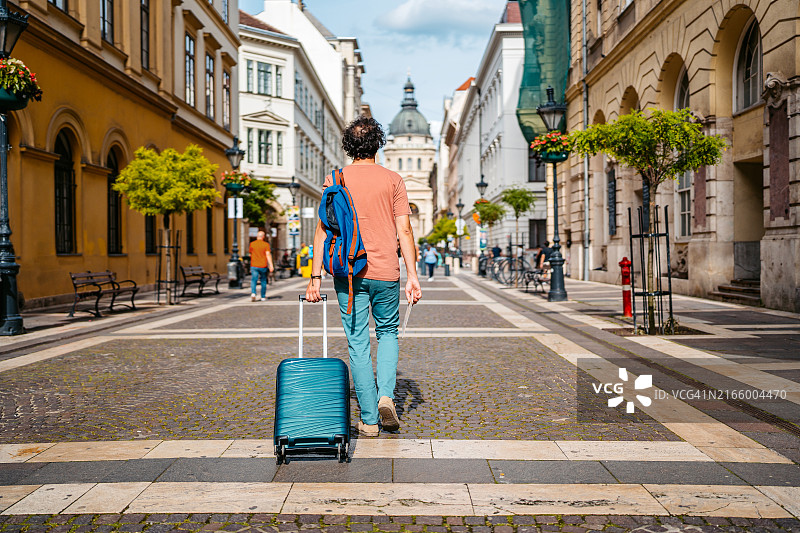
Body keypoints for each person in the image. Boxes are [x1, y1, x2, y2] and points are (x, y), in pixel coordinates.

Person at [306, 116, 422, 437]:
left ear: (348, 146)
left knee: (357, 343)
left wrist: (314, 277)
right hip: (387, 271)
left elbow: (321, 232)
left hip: (349, 272)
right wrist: (413, 275)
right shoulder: (393, 179)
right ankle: (387, 395)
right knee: (387, 333)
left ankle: (369, 419)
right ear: (379, 144)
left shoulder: (335, 179)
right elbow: (405, 230)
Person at [249, 230, 274, 301]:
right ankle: (263, 296)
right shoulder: (266, 244)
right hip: (263, 265)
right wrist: (271, 265)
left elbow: (250, 254)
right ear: (263, 237)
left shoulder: (252, 244)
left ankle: (253, 293)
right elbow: (268, 255)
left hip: (254, 265)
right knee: (263, 281)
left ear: (257, 236)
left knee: (254, 280)